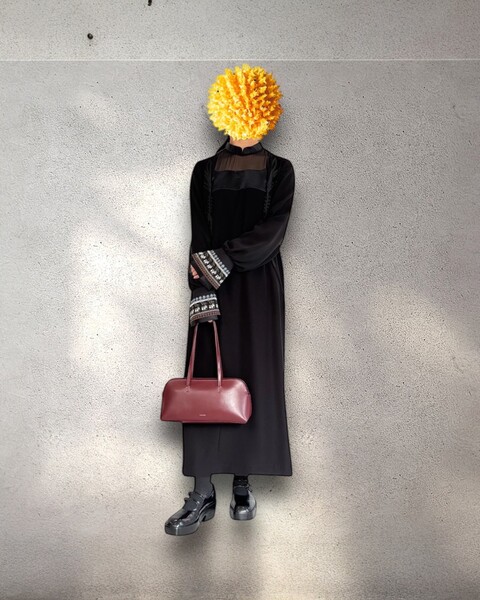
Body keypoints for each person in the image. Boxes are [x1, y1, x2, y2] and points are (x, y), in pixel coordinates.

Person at [165, 64, 296, 536]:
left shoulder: (281, 171)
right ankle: (202, 493)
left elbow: (272, 234)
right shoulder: (203, 172)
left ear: (264, 115)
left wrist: (219, 262)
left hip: (259, 290)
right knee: (205, 380)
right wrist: (202, 286)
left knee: (252, 377)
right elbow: (199, 233)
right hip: (211, 285)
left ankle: (243, 481)